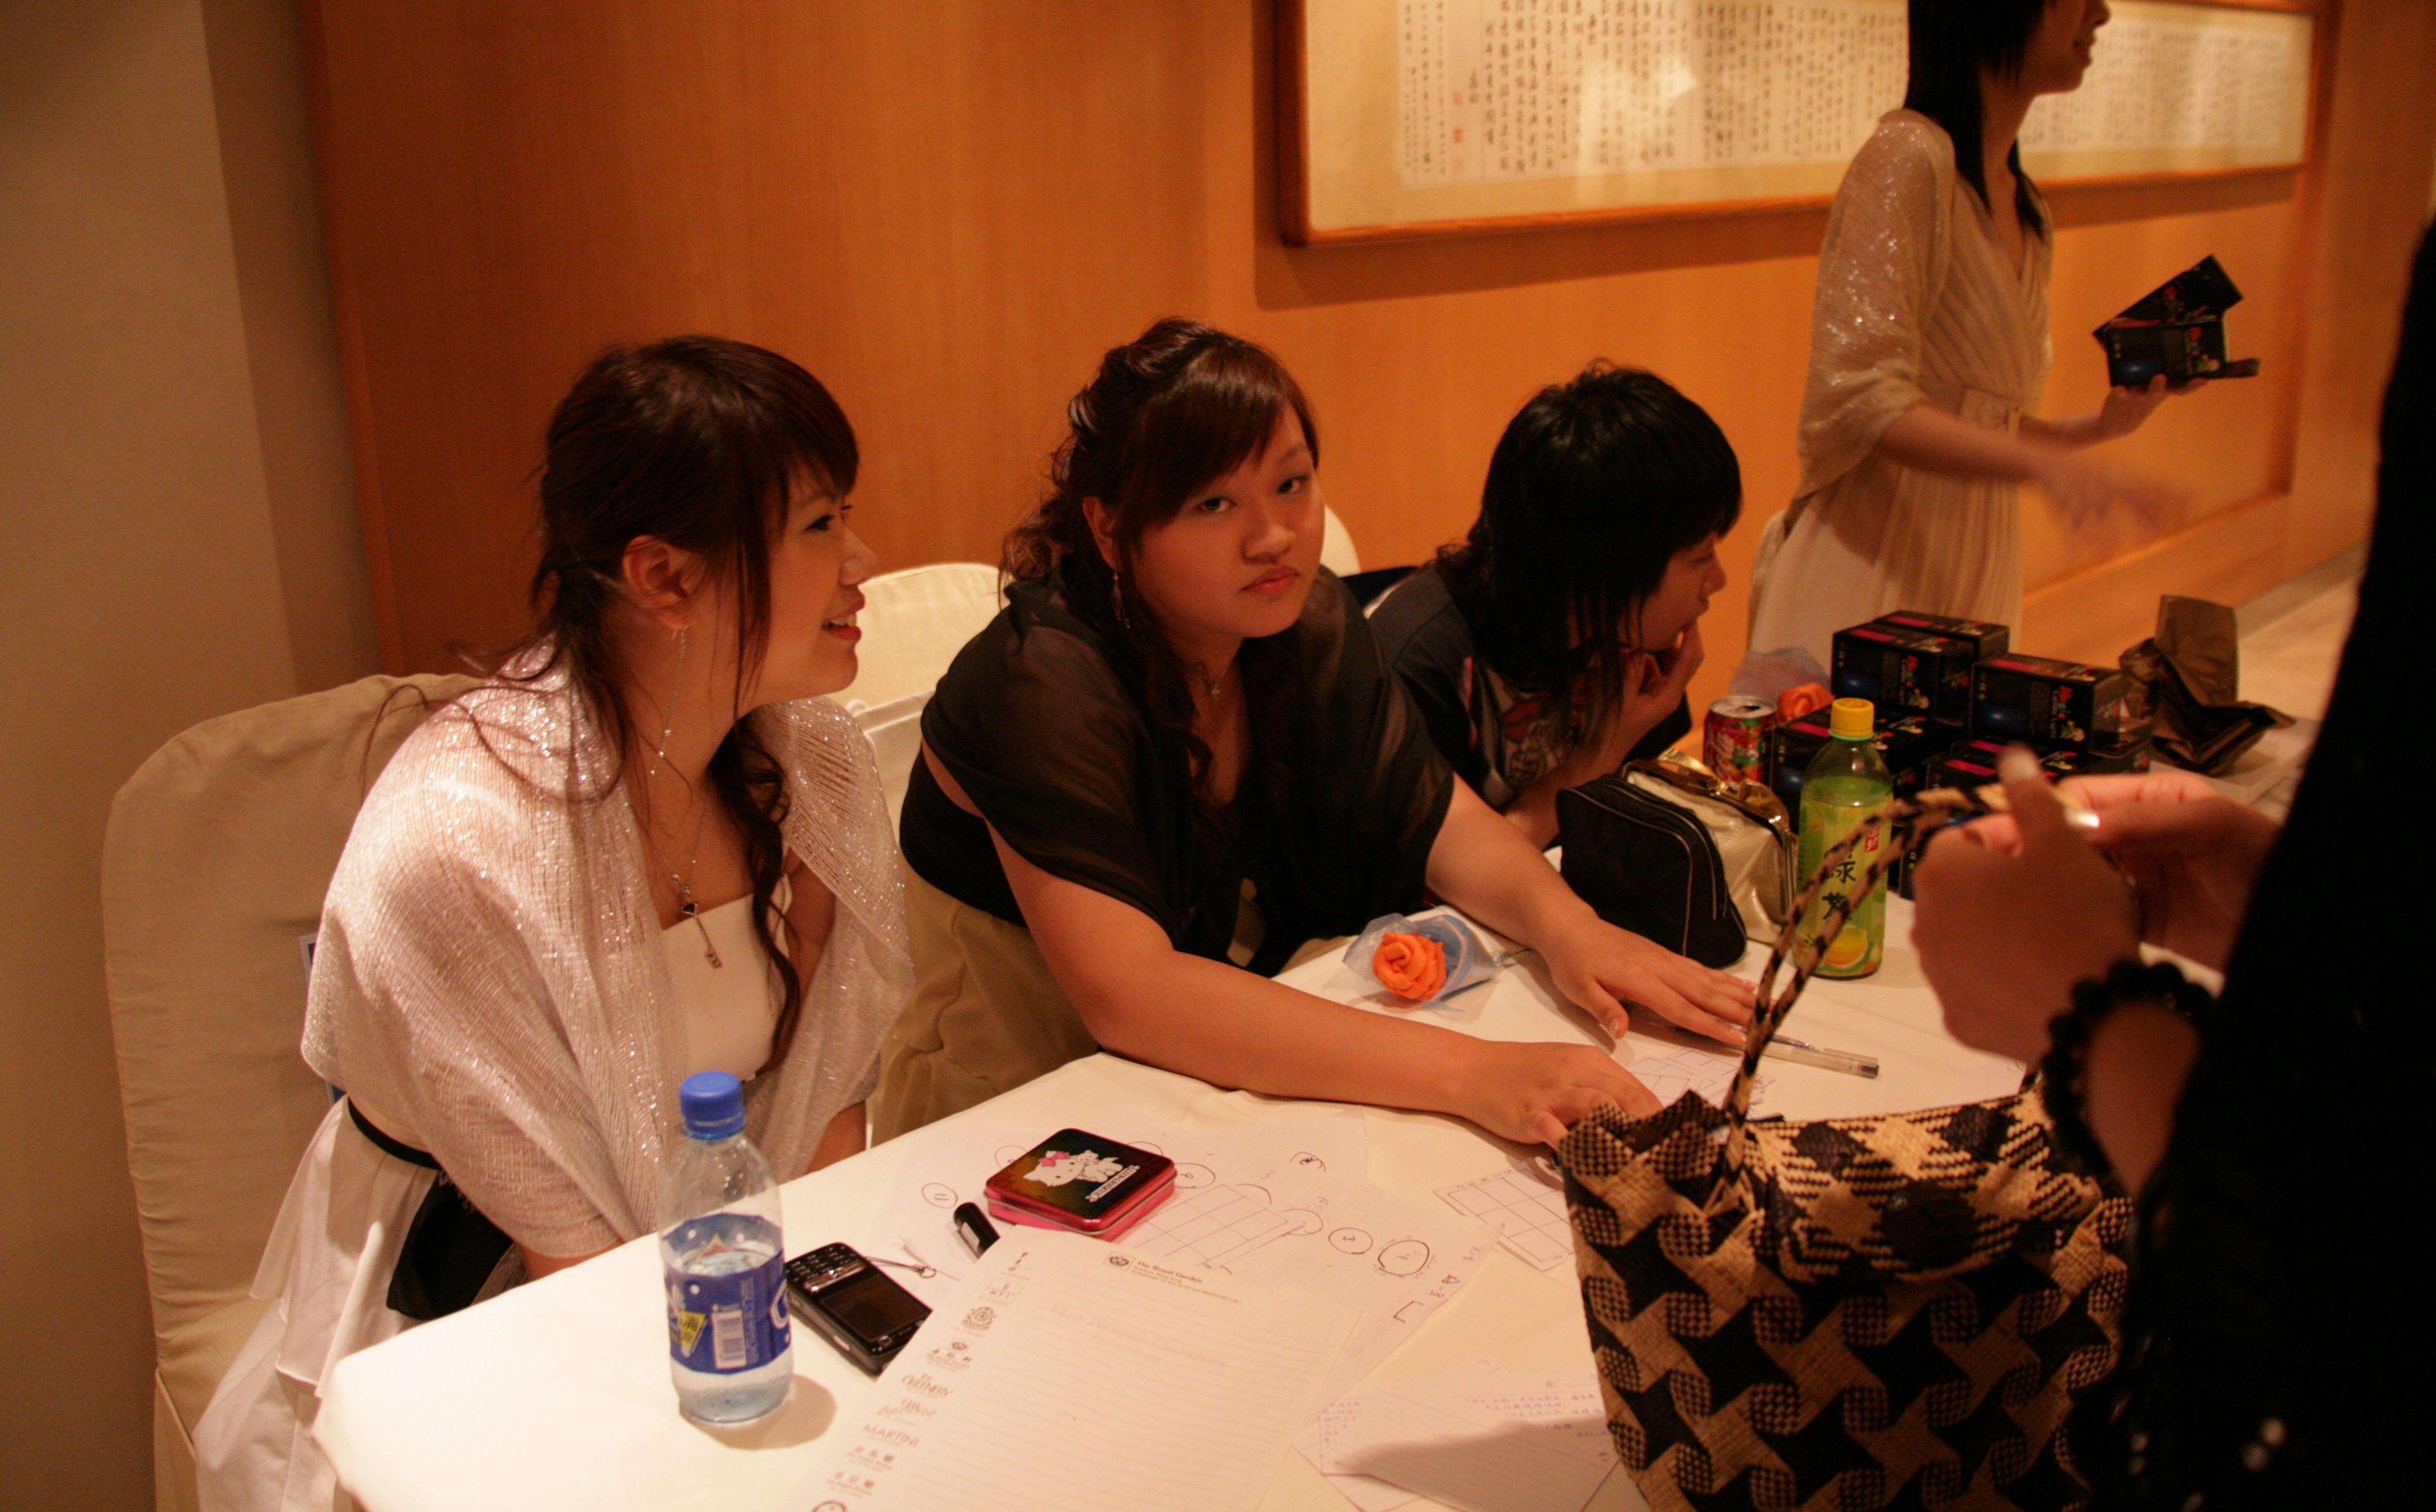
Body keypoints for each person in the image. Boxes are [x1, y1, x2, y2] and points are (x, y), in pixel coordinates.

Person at [1911, 102, 2436, 1506]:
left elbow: (2379, 1376)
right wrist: (2312, 918)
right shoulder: (1914, 168)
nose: (2095, 22)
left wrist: (2095, 1020)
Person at [194, 338, 913, 1512]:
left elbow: (830, 1094)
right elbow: (568, 1264)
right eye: (820, 525)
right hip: (466, 1322)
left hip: (718, 1283)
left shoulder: (812, 763)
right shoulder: (456, 846)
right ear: (664, 578)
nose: (862, 561)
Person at [874, 319, 1757, 1145]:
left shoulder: (1301, 623)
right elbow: (1133, 992)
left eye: (1292, 484)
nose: (1275, 536)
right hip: (1009, 1113)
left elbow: (1439, 818)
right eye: (1213, 504)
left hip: (1193, 1083)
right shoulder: (1039, 684)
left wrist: (1574, 931)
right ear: (1109, 528)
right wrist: (1479, 1074)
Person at [1745, 0, 2190, 678]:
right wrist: (2045, 467)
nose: (2101, 12)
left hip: (1972, 561)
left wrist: (2092, 434)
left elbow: (1980, 417)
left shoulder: (2023, 200)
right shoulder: (1906, 159)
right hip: (1876, 562)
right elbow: (1862, 398)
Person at [1369, 362, 1743, 847]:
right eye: (1701, 557)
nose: (1718, 581)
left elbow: (1626, 821)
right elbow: (1447, 879)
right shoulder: (1419, 663)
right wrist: (1606, 747)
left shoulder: (1625, 632)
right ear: (1609, 567)